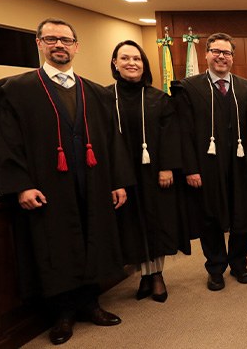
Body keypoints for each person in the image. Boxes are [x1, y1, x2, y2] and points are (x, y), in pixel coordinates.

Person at [0, 18, 131, 345]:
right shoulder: (17, 91)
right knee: (55, 244)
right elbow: (7, 142)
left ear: (76, 46)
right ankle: (62, 314)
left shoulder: (95, 93)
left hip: (92, 183)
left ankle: (90, 303)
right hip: (47, 186)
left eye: (66, 40)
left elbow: (112, 141)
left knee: (91, 236)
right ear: (39, 43)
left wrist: (118, 181)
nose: (59, 45)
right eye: (51, 39)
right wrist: (21, 184)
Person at [172, 33, 247, 291]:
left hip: (239, 164)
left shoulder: (246, 88)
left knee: (241, 213)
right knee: (210, 216)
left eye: (227, 52)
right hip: (207, 165)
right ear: (206, 54)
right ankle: (216, 267)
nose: (221, 56)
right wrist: (190, 169)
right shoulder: (189, 88)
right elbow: (182, 132)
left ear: (233, 57)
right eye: (216, 51)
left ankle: (239, 264)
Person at [108, 40, 190, 303]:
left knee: (157, 222)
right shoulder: (104, 97)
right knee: (132, 223)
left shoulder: (158, 98)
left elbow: (170, 136)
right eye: (125, 58)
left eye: (137, 59)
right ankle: (143, 275)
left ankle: (157, 275)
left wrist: (167, 167)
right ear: (115, 63)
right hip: (121, 173)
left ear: (144, 64)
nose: (131, 63)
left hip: (155, 173)